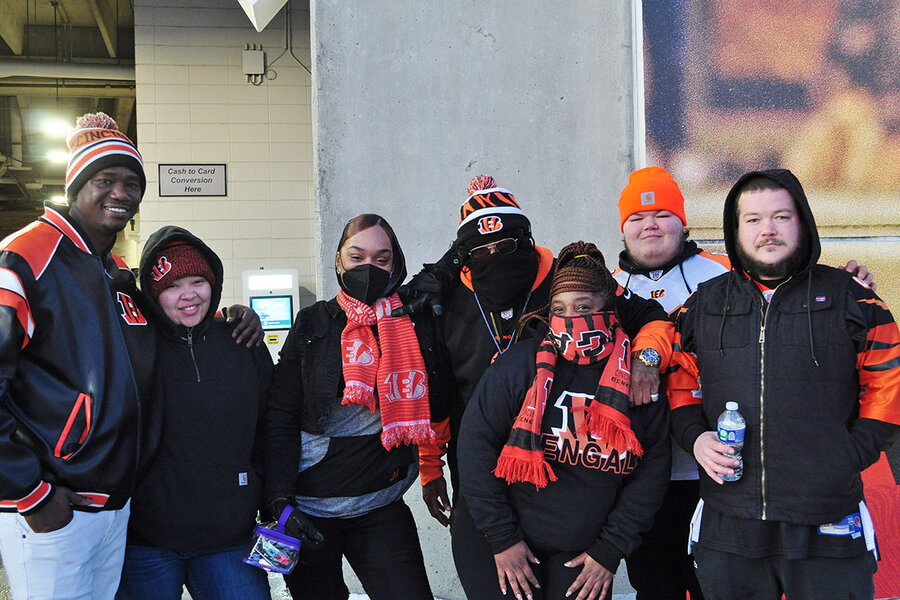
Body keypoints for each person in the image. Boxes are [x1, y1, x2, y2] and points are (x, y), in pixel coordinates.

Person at [0, 112, 260, 600]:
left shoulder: (115, 272)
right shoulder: (25, 256)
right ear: (76, 185)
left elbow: (177, 324)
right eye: (106, 180)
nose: (121, 193)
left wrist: (234, 316)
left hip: (114, 509)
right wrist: (29, 493)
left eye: (132, 183)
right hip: (57, 507)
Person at [668, 168, 900, 599]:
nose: (767, 230)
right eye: (753, 219)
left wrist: (847, 455)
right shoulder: (705, 303)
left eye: (781, 216)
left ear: (803, 222)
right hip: (729, 525)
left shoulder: (853, 297)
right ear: (734, 231)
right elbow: (678, 378)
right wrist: (696, 438)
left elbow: (890, 384)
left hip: (827, 521)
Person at [414, 175, 672, 530]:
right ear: (466, 258)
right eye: (480, 252)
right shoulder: (447, 300)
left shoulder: (568, 283)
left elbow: (650, 316)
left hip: (564, 467)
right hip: (478, 462)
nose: (494, 257)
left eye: (506, 246)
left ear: (526, 240)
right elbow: (438, 390)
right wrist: (430, 468)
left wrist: (647, 359)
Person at [455, 241, 671, 600]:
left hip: (582, 550)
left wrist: (610, 550)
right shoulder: (519, 366)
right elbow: (476, 447)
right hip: (497, 536)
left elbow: (651, 472)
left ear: (610, 310)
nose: (571, 319)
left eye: (584, 306)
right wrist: (503, 538)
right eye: (560, 309)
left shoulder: (636, 378)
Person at [264, 213, 452, 600]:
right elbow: (281, 414)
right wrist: (278, 500)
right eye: (356, 257)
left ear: (395, 265)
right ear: (338, 261)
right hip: (310, 511)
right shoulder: (312, 323)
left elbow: (439, 402)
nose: (368, 269)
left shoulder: (411, 320)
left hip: (381, 508)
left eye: (381, 260)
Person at [116, 226, 273, 599]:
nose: (188, 295)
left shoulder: (242, 341)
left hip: (229, 541)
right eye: (171, 286)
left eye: (197, 281)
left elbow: (271, 428)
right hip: (145, 544)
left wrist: (272, 501)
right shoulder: (134, 346)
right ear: (153, 296)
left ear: (213, 282)